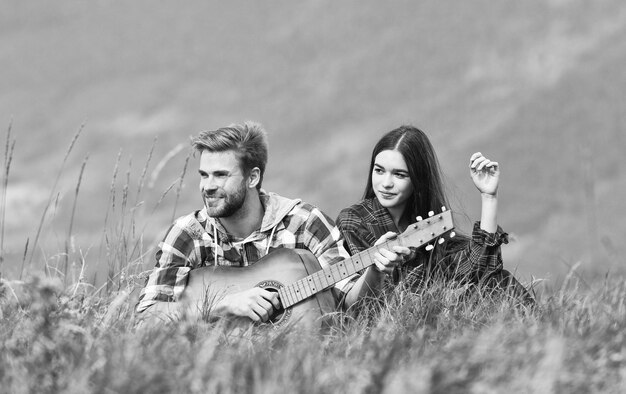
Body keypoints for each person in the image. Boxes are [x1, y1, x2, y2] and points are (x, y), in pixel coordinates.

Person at [136, 121, 407, 323]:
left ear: (252, 178)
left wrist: (375, 269)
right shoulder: (187, 235)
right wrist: (222, 306)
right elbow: (145, 321)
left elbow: (351, 304)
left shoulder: (306, 223)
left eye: (220, 175)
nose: (207, 186)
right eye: (203, 175)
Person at [336, 125, 533, 307]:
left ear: (417, 179)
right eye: (379, 171)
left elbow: (483, 270)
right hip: (381, 323)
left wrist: (489, 197)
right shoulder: (355, 220)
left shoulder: (428, 225)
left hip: (429, 317)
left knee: (500, 282)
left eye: (399, 175)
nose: (386, 183)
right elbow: (370, 302)